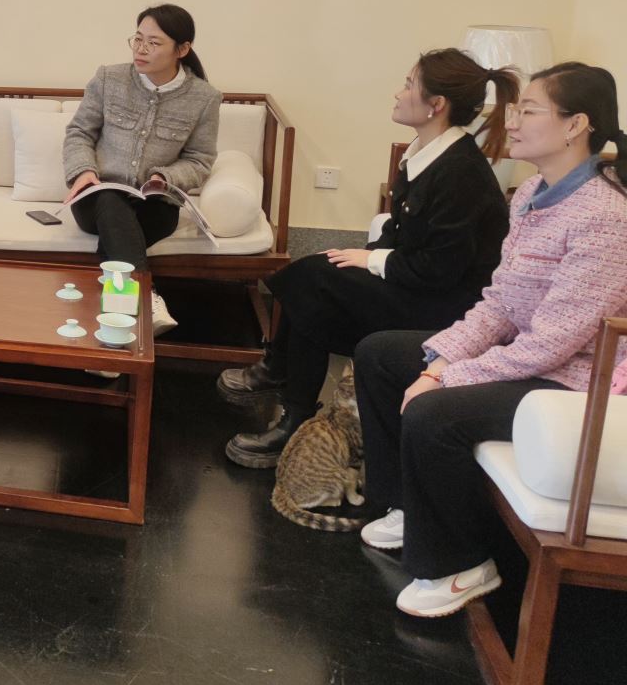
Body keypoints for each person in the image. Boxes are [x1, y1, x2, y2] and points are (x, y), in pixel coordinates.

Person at [352, 62, 627, 618]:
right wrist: (440, 358)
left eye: (529, 110)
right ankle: (409, 507)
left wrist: (448, 377)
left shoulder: (604, 216)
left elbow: (553, 344)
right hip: (529, 354)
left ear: (576, 125)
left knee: (434, 412)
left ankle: (461, 564)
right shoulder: (531, 194)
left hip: (573, 379)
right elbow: (500, 302)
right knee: (380, 354)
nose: (512, 121)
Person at [219, 50, 518, 466]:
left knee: (315, 283)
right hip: (419, 283)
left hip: (449, 306)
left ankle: (284, 389)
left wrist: (371, 260)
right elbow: (400, 232)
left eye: (409, 85)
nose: (398, 93)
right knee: (316, 278)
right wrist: (362, 255)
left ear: (436, 104)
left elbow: (439, 270)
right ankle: (289, 402)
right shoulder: (425, 152)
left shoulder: (461, 173)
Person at [62, 4, 220, 335]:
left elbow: (199, 160)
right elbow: (79, 133)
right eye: (137, 39)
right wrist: (84, 172)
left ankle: (113, 321)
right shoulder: (109, 78)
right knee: (110, 201)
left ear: (182, 49)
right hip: (95, 200)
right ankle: (147, 296)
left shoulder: (204, 98)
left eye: (153, 42)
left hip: (155, 206)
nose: (141, 49)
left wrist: (166, 178)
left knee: (118, 233)